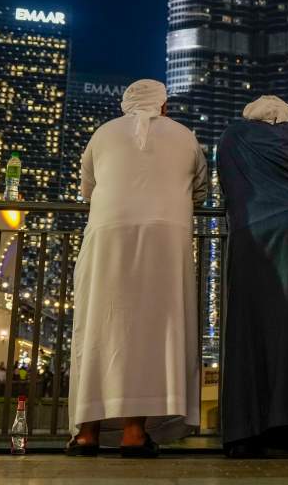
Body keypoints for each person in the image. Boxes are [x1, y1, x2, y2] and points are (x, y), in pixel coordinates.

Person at [66, 79, 208, 458]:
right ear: (163, 106)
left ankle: (87, 432)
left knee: (99, 324)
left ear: (125, 104)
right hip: (167, 239)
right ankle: (134, 432)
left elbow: (87, 188)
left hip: (108, 236)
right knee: (153, 329)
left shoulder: (102, 134)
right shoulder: (185, 136)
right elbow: (200, 189)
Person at [217, 94, 288, 458]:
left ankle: (244, 433)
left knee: (248, 326)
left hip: (254, 233)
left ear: (251, 117)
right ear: (284, 118)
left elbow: (227, 187)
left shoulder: (233, 136)